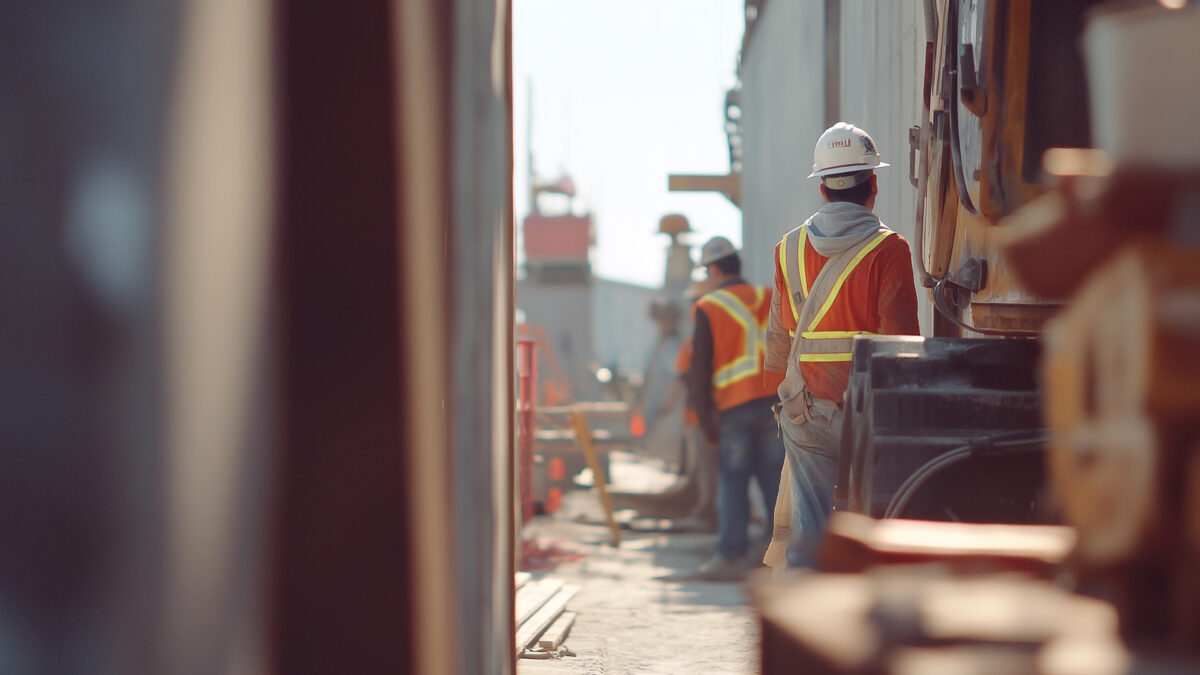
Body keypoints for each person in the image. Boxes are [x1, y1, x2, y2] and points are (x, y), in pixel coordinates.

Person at [763, 122, 920, 570]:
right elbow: (901, 345)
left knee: (809, 538)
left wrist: (785, 394)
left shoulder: (788, 249)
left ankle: (805, 620)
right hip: (864, 413)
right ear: (874, 184)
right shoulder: (889, 250)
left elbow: (777, 341)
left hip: (805, 410)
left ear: (823, 190)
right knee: (869, 533)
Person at [684, 237, 786, 581]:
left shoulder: (708, 307)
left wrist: (705, 421)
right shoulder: (769, 296)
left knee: (733, 480)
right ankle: (777, 556)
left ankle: (731, 555)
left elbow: (698, 371)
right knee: (776, 480)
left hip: (735, 408)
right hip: (776, 402)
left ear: (714, 269)